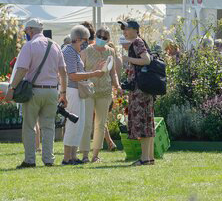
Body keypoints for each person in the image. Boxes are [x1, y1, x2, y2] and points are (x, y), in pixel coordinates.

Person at [7, 19, 67, 168]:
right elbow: (63, 72)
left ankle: (30, 159)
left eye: (26, 31)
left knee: (29, 126)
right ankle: (48, 159)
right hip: (52, 90)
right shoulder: (55, 46)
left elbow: (21, 70)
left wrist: (11, 89)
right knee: (48, 127)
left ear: (30, 30)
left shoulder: (29, 46)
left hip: (34, 91)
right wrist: (63, 93)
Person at [62, 24, 106, 165]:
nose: (87, 43)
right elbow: (73, 76)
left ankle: (73, 156)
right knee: (72, 123)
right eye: (85, 40)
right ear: (79, 39)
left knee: (78, 124)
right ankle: (67, 157)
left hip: (78, 91)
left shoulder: (74, 52)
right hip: (72, 90)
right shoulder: (69, 51)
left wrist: (94, 69)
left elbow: (79, 73)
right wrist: (93, 73)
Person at [83, 26, 121, 162]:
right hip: (89, 90)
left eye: (105, 37)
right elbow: (80, 70)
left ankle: (95, 155)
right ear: (95, 36)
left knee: (100, 124)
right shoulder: (86, 50)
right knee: (87, 123)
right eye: (99, 35)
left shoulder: (111, 52)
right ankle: (85, 155)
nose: (101, 39)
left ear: (108, 39)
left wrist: (117, 85)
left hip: (105, 91)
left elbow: (113, 72)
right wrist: (93, 70)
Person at [121, 20, 156, 166]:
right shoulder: (138, 42)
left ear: (135, 30)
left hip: (140, 90)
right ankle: (148, 158)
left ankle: (144, 158)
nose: (124, 31)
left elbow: (146, 60)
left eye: (126, 28)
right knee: (147, 123)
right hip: (144, 89)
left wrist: (128, 58)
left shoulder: (136, 42)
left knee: (142, 123)